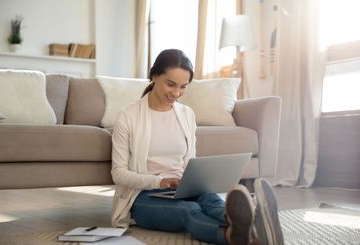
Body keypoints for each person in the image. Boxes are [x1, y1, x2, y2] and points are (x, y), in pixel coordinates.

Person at [110, 49, 284, 245]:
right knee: (189, 211)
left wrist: (192, 182)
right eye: (170, 84)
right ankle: (234, 236)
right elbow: (118, 173)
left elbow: (190, 162)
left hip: (183, 189)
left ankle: (252, 224)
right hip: (143, 197)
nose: (176, 93)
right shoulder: (127, 117)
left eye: (183, 87)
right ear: (154, 76)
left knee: (211, 200)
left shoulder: (186, 114)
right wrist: (159, 182)